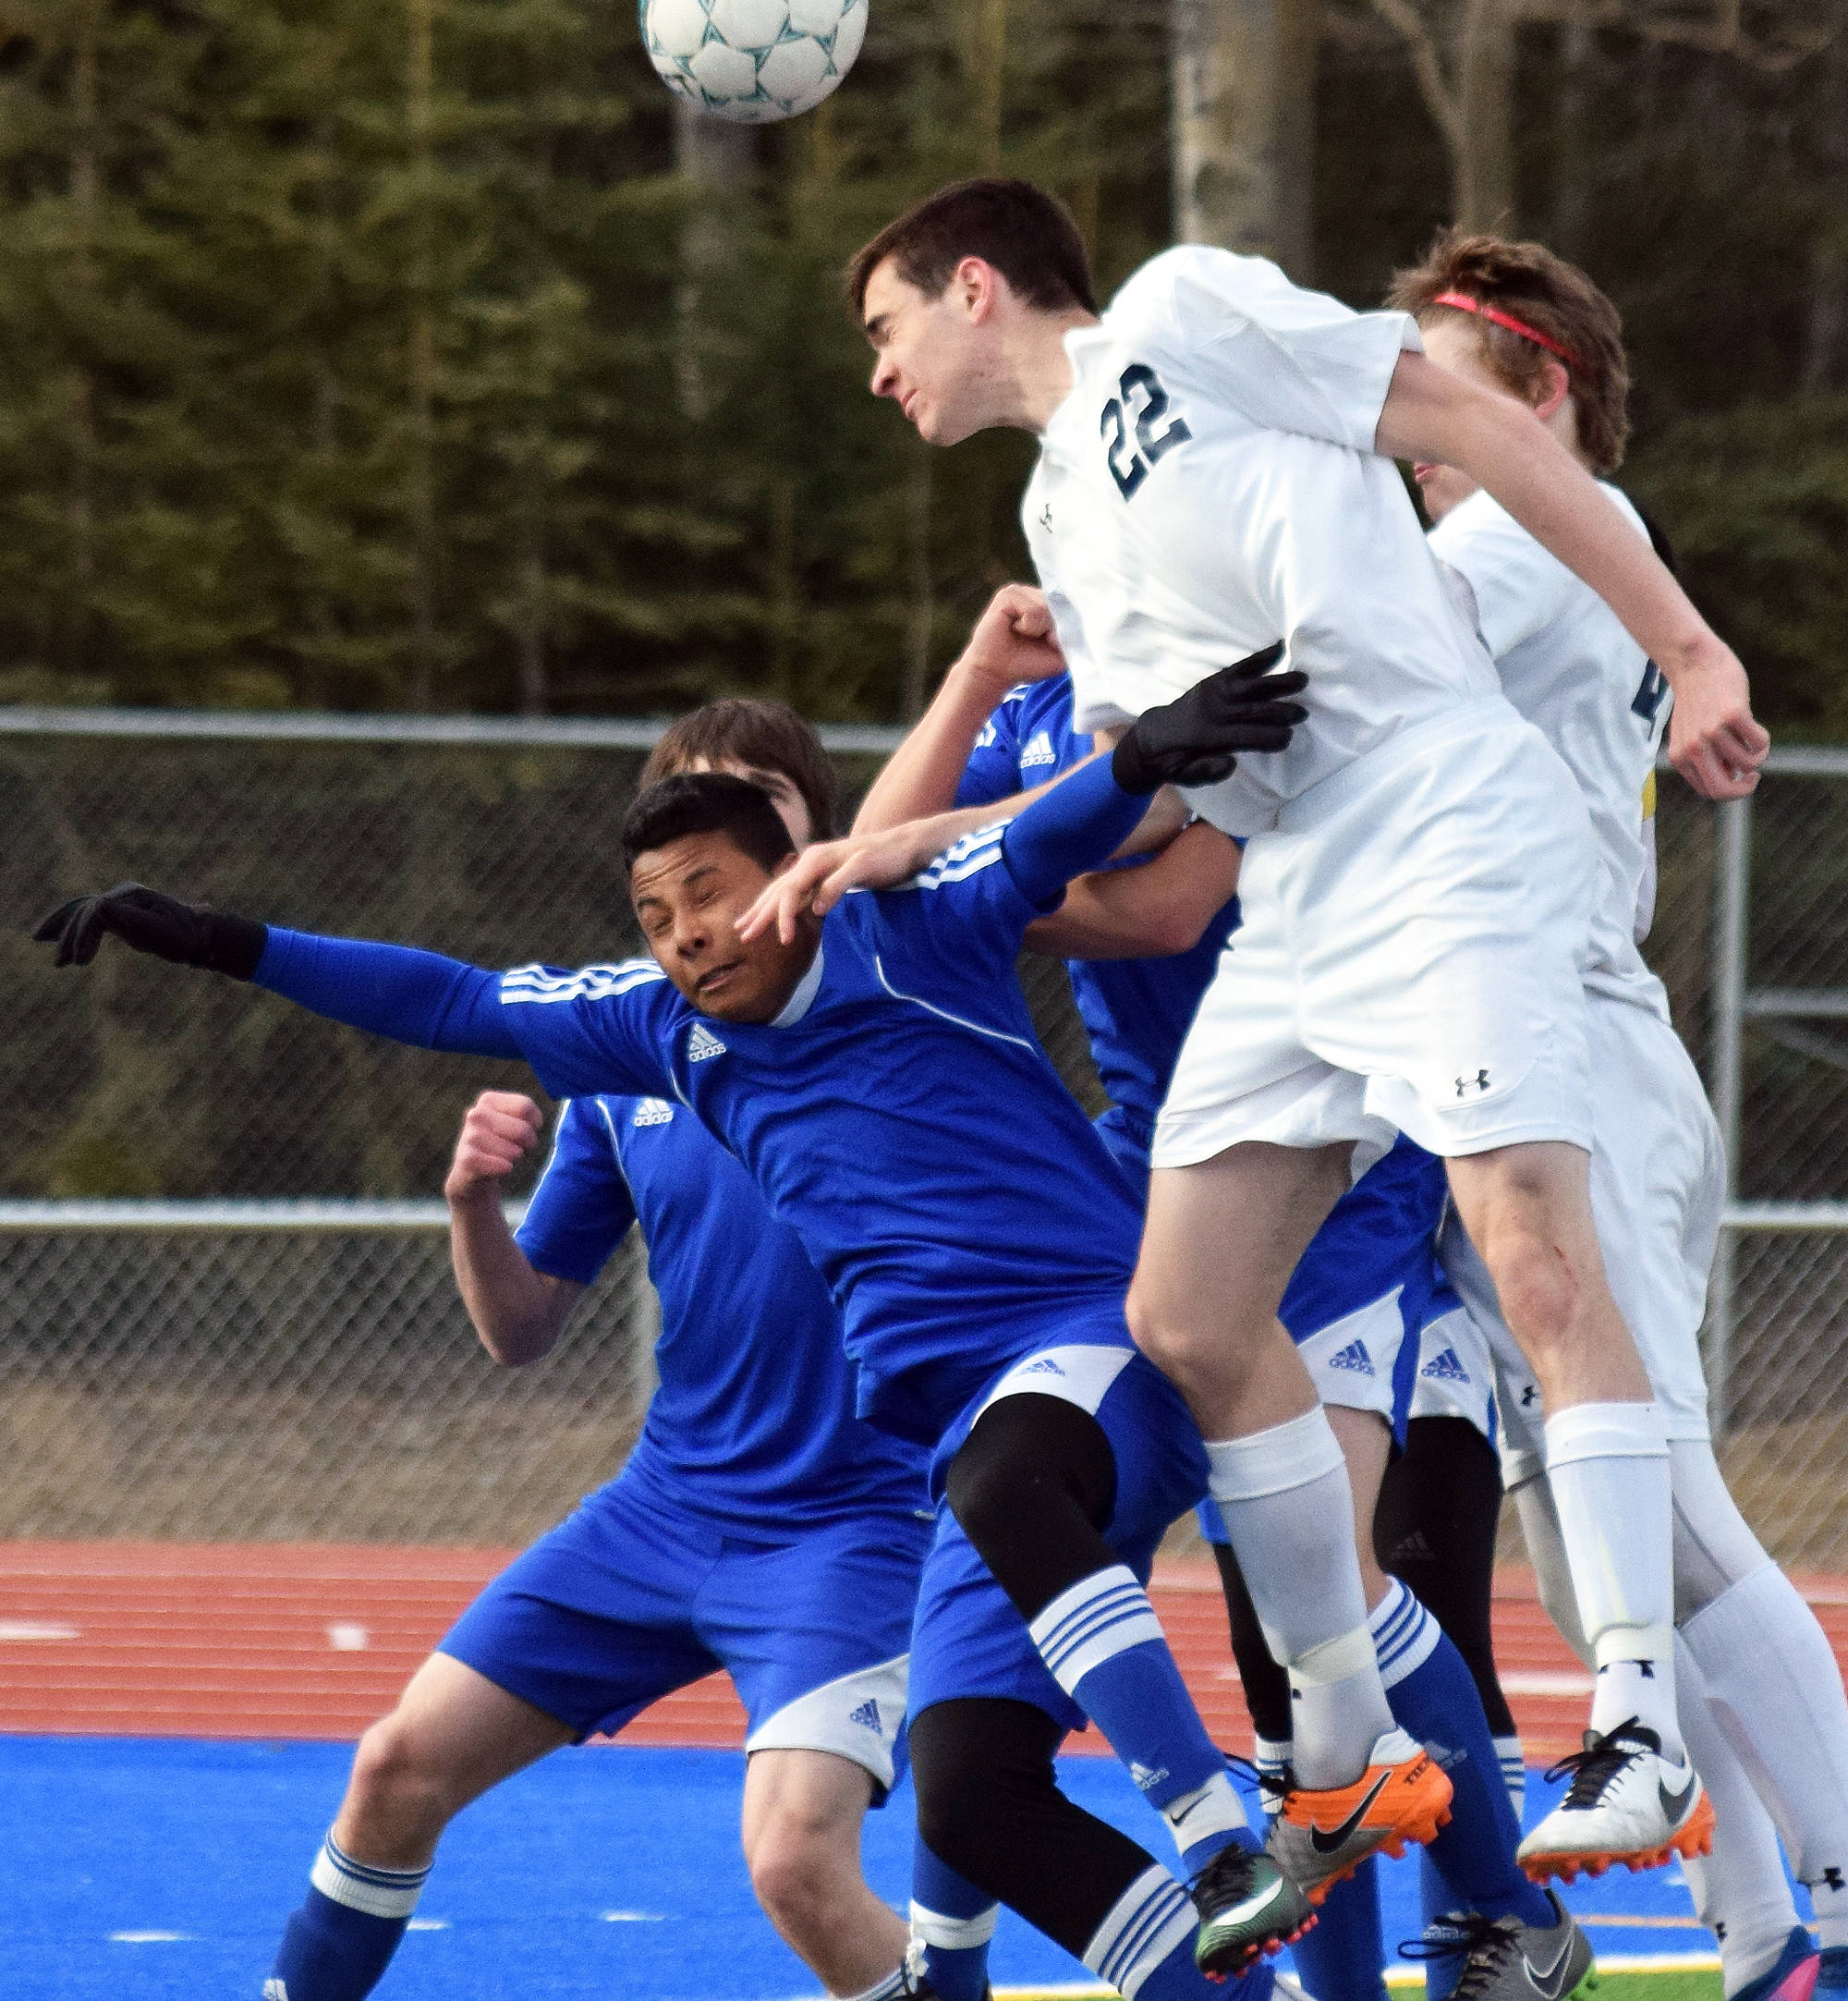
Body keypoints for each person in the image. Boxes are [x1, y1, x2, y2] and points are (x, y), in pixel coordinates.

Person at [37, 662, 1425, 2000]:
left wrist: (1138, 753)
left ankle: (1220, 1834)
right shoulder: (654, 1036)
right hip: (871, 1462)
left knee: (848, 1777)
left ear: (801, 859)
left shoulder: (910, 930)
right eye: (655, 913)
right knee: (973, 1790)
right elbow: (451, 1001)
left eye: (709, 889)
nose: (686, 932)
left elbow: (1037, 841)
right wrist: (217, 939)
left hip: (1068, 1368)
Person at [840, 175, 1768, 1884]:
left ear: (976, 288)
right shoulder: (1060, 514)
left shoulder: (1185, 313)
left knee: (1532, 1249)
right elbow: (1127, 813)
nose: (879, 370)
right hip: (1300, 885)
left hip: (1436, 812)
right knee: (1187, 1313)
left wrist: (1689, 650)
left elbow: (1465, 424)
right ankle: (1340, 1739)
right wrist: (911, 844)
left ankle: (1637, 1719)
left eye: (887, 328)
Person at [849, 595, 1552, 2001]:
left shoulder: (1263, 670)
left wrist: (987, 879)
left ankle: (1504, 1911)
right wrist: (977, 676)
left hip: (1325, 1168)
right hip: (1154, 1174)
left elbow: (1172, 903)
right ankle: (968, 1945)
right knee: (1045, 1531)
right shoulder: (1052, 708)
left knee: (1323, 1613)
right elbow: (871, 880)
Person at [245, 702, 932, 2001]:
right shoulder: (623, 1059)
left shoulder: (899, 1004)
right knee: (395, 1767)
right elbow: (521, 1330)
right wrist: (468, 1206)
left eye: (743, 819)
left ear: (811, 836)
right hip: (664, 1512)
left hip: (851, 1531)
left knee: (795, 1864)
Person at [1394, 229, 1848, 2001]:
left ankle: (1831, 1889)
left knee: (1664, 1517)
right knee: (1604, 1561)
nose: (1411, 416)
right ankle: (1765, 1942)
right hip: (1509, 1056)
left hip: (1571, 1049)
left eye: (1445, 378)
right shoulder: (1518, 546)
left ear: (1541, 390)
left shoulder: (1524, 533)